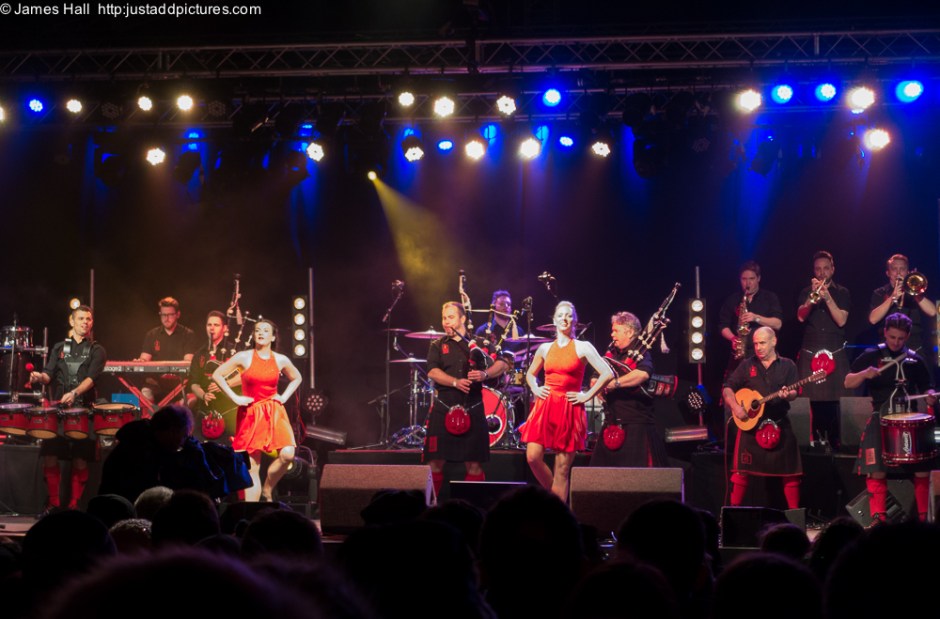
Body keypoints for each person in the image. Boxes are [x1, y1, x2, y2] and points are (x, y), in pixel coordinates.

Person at [843, 312, 936, 523]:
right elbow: (848, 382)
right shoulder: (871, 354)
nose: (896, 342)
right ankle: (879, 520)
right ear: (885, 332)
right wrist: (864, 374)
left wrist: (931, 397)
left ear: (908, 336)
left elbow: (928, 387)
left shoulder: (915, 359)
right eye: (892, 337)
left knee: (922, 469)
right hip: (881, 419)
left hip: (910, 422)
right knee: (877, 471)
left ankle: (923, 520)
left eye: (901, 338)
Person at [521, 300, 613, 500]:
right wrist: (536, 387)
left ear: (575, 321)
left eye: (569, 315)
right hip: (545, 406)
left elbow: (607, 373)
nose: (565, 318)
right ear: (554, 320)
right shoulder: (544, 348)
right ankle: (555, 498)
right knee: (532, 457)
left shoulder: (583, 347)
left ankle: (558, 516)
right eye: (561, 315)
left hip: (569, 407)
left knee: (561, 469)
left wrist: (586, 395)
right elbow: (530, 374)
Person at [424, 301, 511, 497]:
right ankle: (431, 508)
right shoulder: (437, 345)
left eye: (451, 317)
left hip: (473, 406)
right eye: (444, 318)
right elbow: (432, 371)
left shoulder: (479, 344)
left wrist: (485, 374)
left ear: (462, 318)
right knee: (434, 462)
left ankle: (473, 509)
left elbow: (503, 363)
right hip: (443, 407)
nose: (446, 322)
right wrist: (454, 382)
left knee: (474, 463)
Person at [212, 319, 302, 502]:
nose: (260, 333)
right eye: (257, 330)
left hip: (274, 412)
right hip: (251, 413)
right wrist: (235, 398)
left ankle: (268, 489)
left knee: (287, 454)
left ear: (273, 336)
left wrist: (283, 397)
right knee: (253, 465)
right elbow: (217, 375)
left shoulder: (280, 359)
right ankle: (252, 512)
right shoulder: (244, 356)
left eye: (265, 330)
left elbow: (297, 377)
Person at [28, 305, 106, 512]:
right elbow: (48, 375)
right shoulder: (59, 347)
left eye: (88, 319)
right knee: (50, 455)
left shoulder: (98, 350)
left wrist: (74, 394)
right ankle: (53, 502)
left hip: (84, 410)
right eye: (81, 318)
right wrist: (39, 377)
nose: (85, 322)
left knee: (80, 460)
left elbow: (91, 378)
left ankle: (74, 505)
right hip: (60, 412)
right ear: (72, 321)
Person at [722, 326, 802, 509]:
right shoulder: (747, 365)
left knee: (791, 473)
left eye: (762, 343)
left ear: (774, 341)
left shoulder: (788, 365)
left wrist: (787, 395)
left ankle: (796, 517)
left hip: (779, 423)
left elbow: (794, 392)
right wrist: (735, 406)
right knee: (740, 473)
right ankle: (733, 515)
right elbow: (728, 387)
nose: (758, 347)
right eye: (755, 343)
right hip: (751, 426)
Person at [589, 311, 668, 467]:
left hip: (636, 425)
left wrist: (614, 383)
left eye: (615, 330)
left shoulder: (641, 353)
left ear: (630, 332)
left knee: (636, 479)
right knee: (601, 478)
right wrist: (597, 387)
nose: (612, 334)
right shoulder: (611, 353)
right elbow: (594, 377)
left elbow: (642, 374)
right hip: (611, 421)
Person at [795, 250, 852, 450]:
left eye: (826, 268)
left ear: (832, 269)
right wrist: (811, 300)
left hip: (835, 351)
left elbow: (841, 320)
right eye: (818, 269)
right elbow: (801, 317)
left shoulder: (842, 292)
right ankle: (811, 444)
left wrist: (827, 297)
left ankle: (838, 443)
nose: (822, 273)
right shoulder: (805, 292)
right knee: (810, 401)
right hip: (811, 351)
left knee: (838, 401)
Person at [718, 261, 783, 376]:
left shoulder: (770, 297)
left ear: (759, 278)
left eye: (751, 279)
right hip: (739, 356)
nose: (747, 283)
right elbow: (723, 325)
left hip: (763, 356)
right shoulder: (734, 299)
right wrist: (733, 338)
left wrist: (756, 318)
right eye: (744, 279)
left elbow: (778, 324)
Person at [868, 253, 936, 361]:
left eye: (902, 269)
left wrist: (916, 294)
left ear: (908, 272)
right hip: (888, 349)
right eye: (894, 269)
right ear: (888, 273)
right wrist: (892, 298)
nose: (898, 273)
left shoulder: (915, 292)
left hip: (914, 348)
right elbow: (873, 319)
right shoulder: (880, 293)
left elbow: (933, 312)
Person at [139, 296, 197, 408]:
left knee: (191, 399)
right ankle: (151, 420)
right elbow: (144, 360)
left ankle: (171, 412)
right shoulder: (152, 335)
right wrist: (140, 361)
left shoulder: (188, 334)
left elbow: (188, 362)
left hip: (180, 385)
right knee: (145, 392)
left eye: (170, 315)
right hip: (156, 384)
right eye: (163, 315)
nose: (166, 318)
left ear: (177, 315)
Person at [188, 310, 237, 439]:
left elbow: (244, 377)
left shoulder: (234, 351)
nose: (212, 328)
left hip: (230, 409)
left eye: (216, 325)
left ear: (225, 328)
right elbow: (194, 383)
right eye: (209, 325)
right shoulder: (199, 354)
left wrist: (224, 385)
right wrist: (203, 395)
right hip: (205, 410)